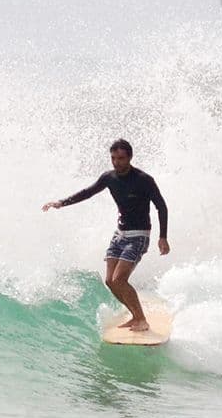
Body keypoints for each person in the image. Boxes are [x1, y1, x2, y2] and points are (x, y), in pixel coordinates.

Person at [43, 138, 170, 331]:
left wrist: (163, 237)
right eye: (113, 158)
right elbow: (88, 192)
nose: (116, 162)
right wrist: (61, 202)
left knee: (119, 279)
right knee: (110, 281)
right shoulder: (109, 178)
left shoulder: (144, 180)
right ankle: (135, 316)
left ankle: (141, 319)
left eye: (121, 158)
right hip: (119, 235)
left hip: (138, 236)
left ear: (130, 157)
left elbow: (161, 207)